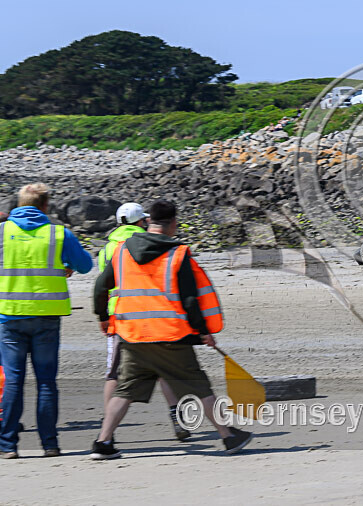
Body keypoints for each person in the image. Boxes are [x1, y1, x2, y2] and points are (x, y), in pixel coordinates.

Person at [91, 200, 252, 460]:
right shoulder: (178, 253)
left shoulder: (121, 251)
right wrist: (203, 331)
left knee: (125, 390)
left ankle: (103, 442)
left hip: (132, 333)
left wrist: (102, 317)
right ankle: (229, 436)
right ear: (173, 224)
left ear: (149, 221)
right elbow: (190, 300)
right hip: (169, 335)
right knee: (199, 385)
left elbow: (101, 287)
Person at [0, 183, 93, 459]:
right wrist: (65, 267)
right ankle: (49, 444)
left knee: (14, 381)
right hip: (46, 317)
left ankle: (7, 446)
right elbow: (86, 265)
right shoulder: (58, 234)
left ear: (18, 205)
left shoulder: (3, 232)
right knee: (46, 382)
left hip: (10, 315)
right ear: (45, 206)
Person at [98, 203, 189, 441]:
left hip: (119, 317)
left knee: (114, 375)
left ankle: (108, 430)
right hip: (153, 313)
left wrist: (103, 316)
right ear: (142, 222)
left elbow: (103, 283)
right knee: (164, 371)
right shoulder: (150, 242)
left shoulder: (108, 248)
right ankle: (177, 418)